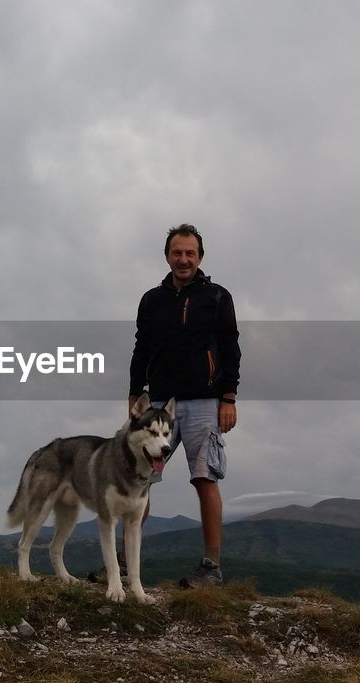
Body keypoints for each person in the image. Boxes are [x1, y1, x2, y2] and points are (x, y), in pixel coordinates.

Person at [129, 222, 240, 587]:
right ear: (167, 256)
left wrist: (228, 397)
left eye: (190, 253)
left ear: (200, 257)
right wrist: (134, 393)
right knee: (140, 478)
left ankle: (211, 567)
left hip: (205, 401)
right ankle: (126, 563)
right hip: (158, 403)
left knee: (205, 478)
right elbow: (141, 348)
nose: (183, 259)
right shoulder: (151, 300)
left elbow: (230, 347)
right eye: (177, 253)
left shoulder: (218, 297)